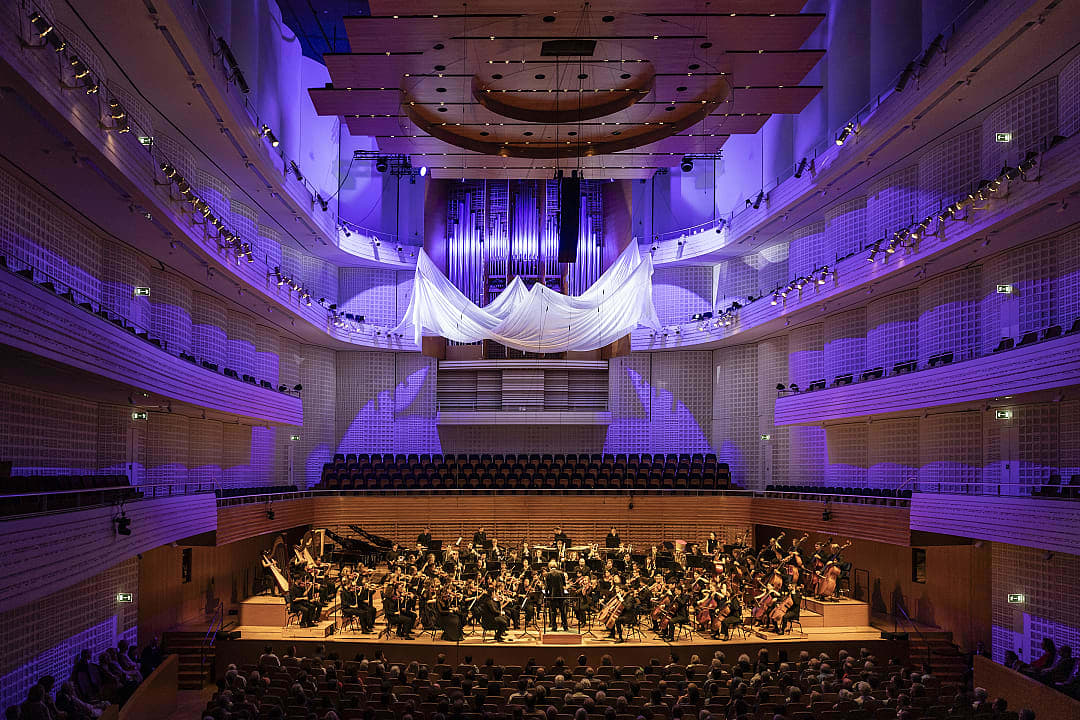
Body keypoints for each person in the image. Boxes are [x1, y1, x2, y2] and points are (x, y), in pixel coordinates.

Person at [546, 559, 569, 631]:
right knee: (562, 611)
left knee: (553, 611)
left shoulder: (548, 574)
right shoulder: (561, 573)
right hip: (561, 595)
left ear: (550, 567)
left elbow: (547, 586)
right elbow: (564, 584)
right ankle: (565, 626)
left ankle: (554, 627)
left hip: (552, 595)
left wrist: (547, 594)